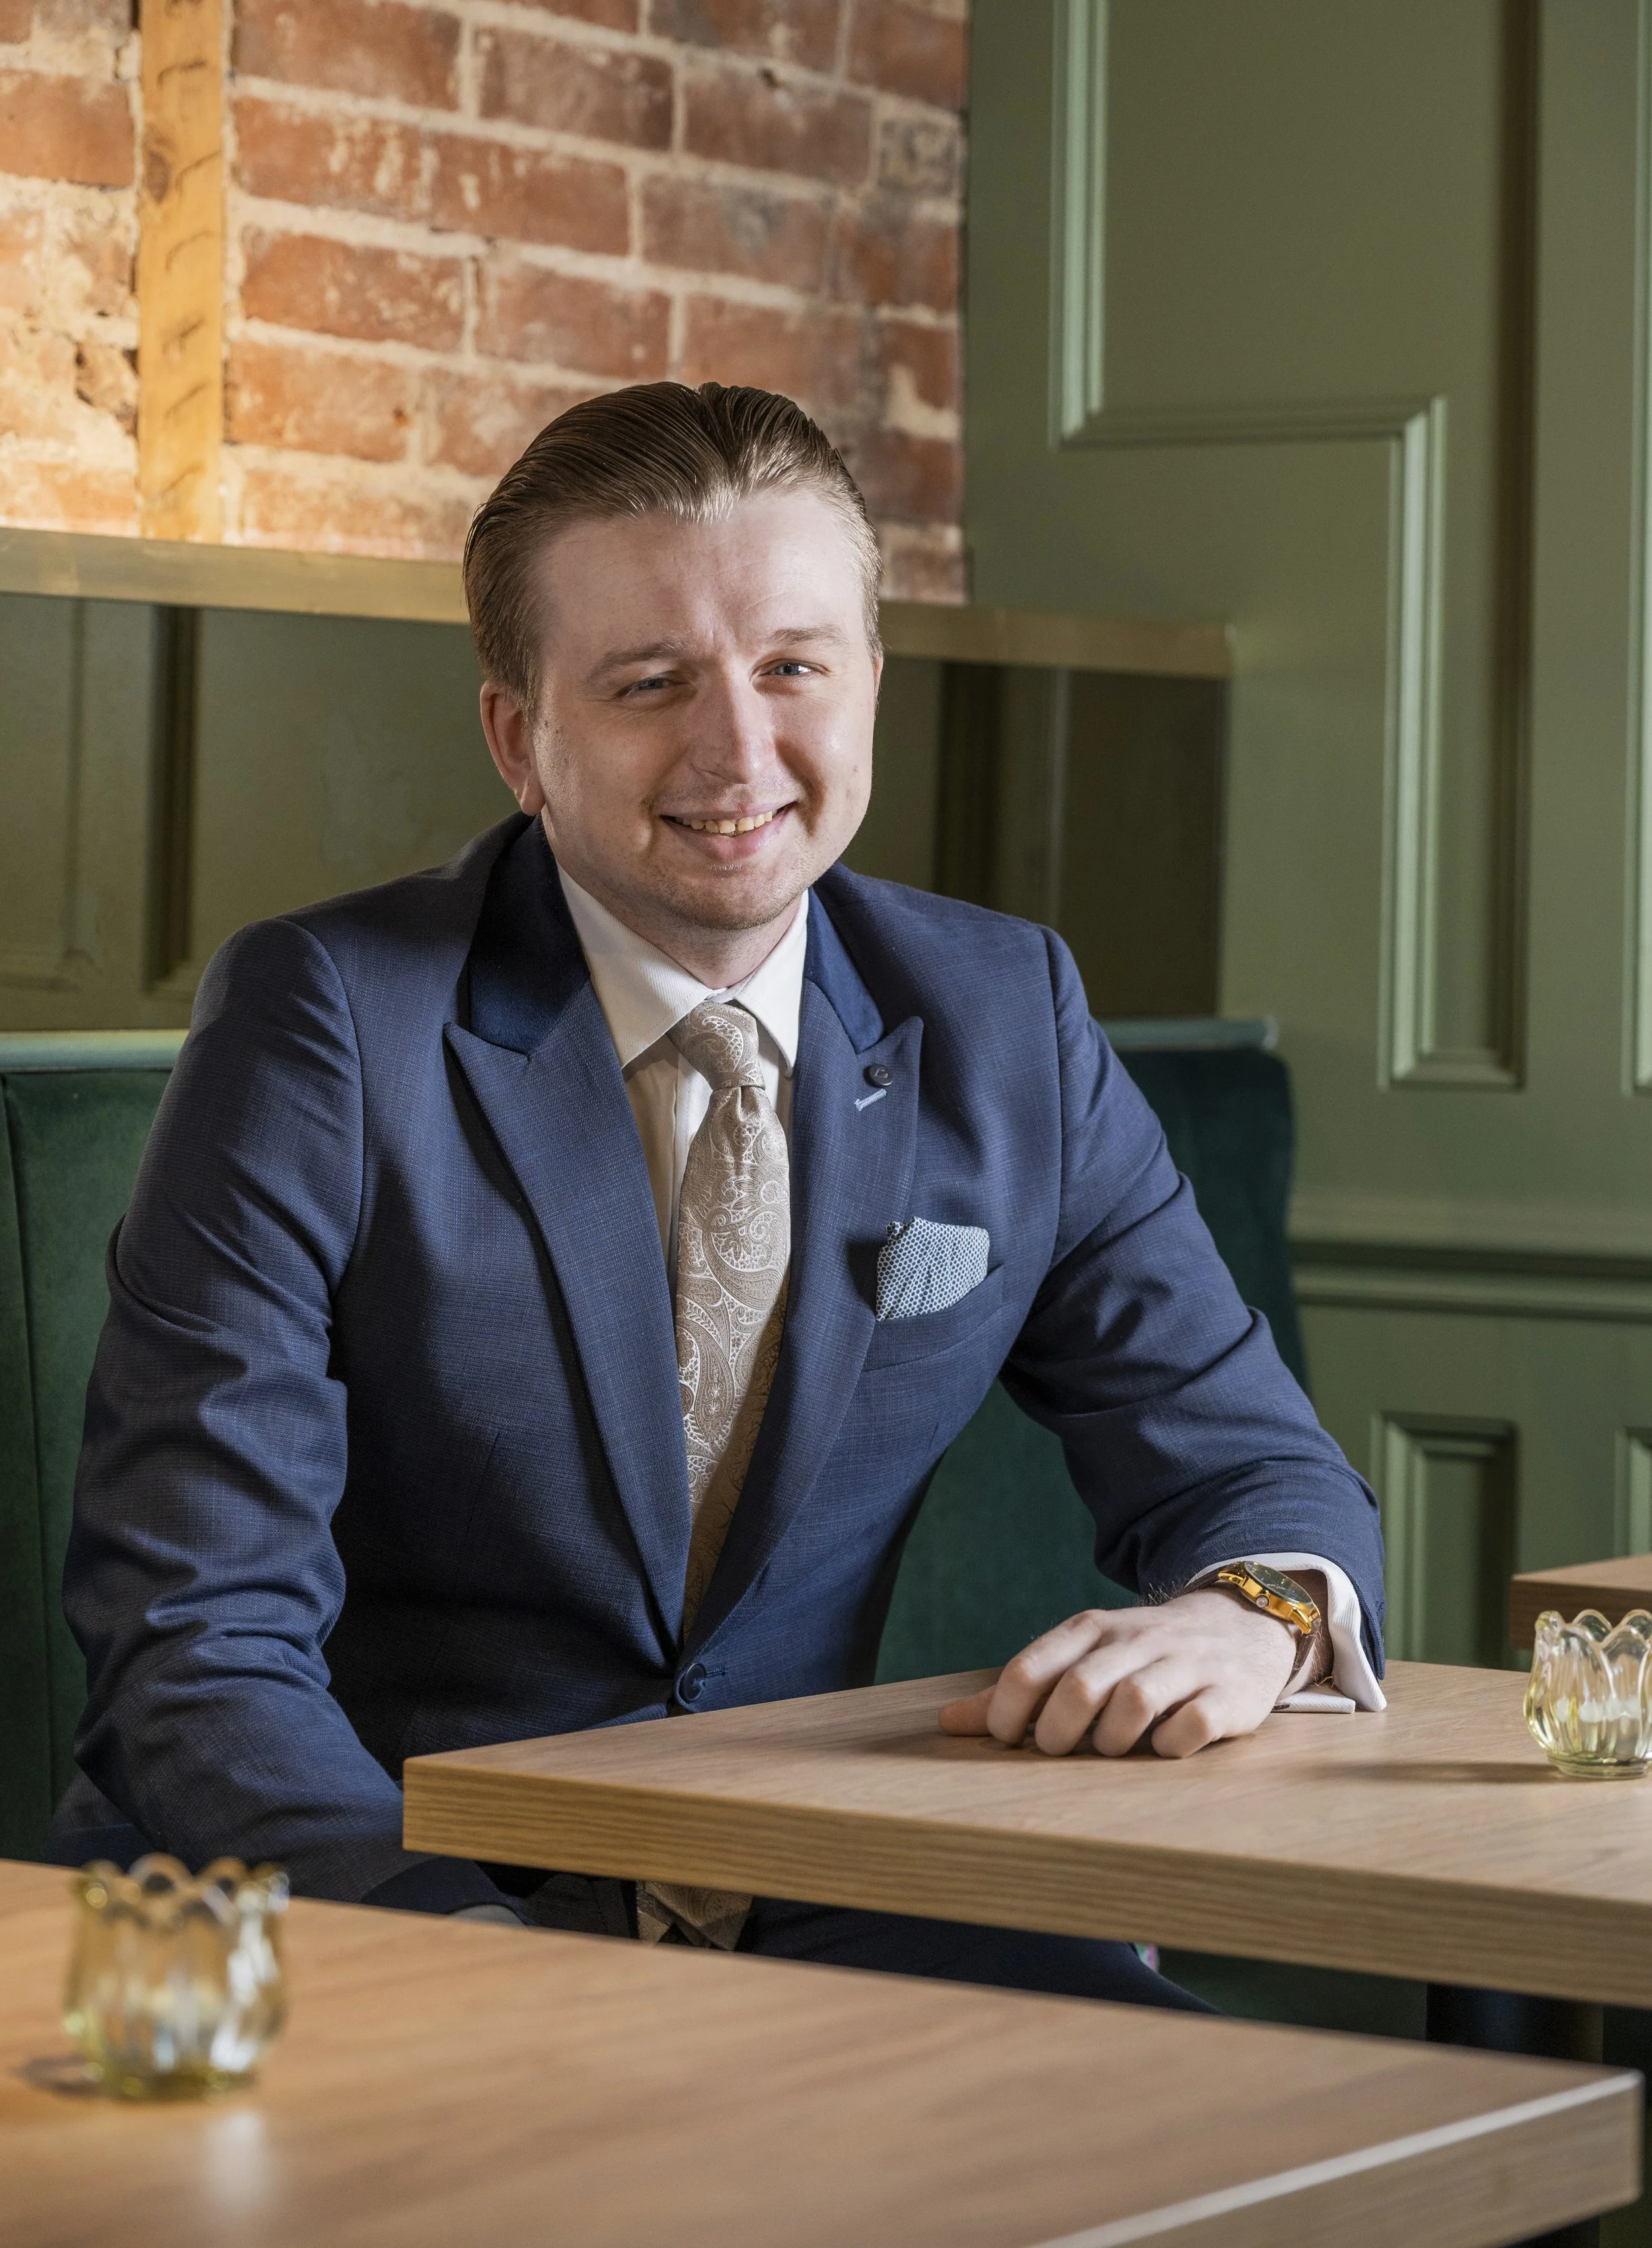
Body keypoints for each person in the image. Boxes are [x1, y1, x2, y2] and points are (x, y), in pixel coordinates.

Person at [54, 381, 1384, 2006]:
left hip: (812, 1887)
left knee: (1249, 2141)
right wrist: (482, 1972)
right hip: (374, 1899)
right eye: (648, 682)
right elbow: (199, 1632)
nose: (736, 749)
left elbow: (1250, 1458)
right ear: (517, 736)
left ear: (871, 687)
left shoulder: (1003, 1011)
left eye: (792, 668)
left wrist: (1251, 1615)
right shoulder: (322, 1017)